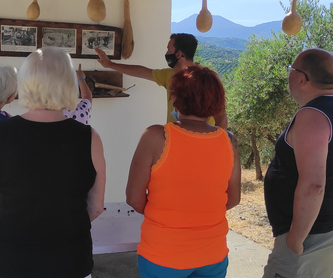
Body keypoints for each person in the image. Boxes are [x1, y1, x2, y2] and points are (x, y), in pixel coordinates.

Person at [0, 47, 106, 278]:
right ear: (69, 83)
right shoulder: (90, 138)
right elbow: (96, 207)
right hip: (71, 260)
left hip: (12, 260)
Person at [126, 66, 241, 278]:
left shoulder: (155, 137)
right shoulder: (228, 141)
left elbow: (134, 199)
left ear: (176, 97)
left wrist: (164, 216)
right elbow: (233, 198)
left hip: (163, 253)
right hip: (212, 254)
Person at [263, 49, 333, 278]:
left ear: (302, 77)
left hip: (311, 235)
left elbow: (314, 185)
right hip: (328, 226)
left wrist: (294, 240)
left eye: (291, 70)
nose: (289, 75)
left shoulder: (313, 115)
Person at [95, 33, 228, 128]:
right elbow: (142, 71)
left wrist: (215, 143)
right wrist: (111, 65)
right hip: (175, 140)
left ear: (179, 54)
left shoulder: (207, 79)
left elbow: (221, 117)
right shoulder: (168, 75)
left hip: (202, 144)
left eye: (168, 49)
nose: (166, 53)